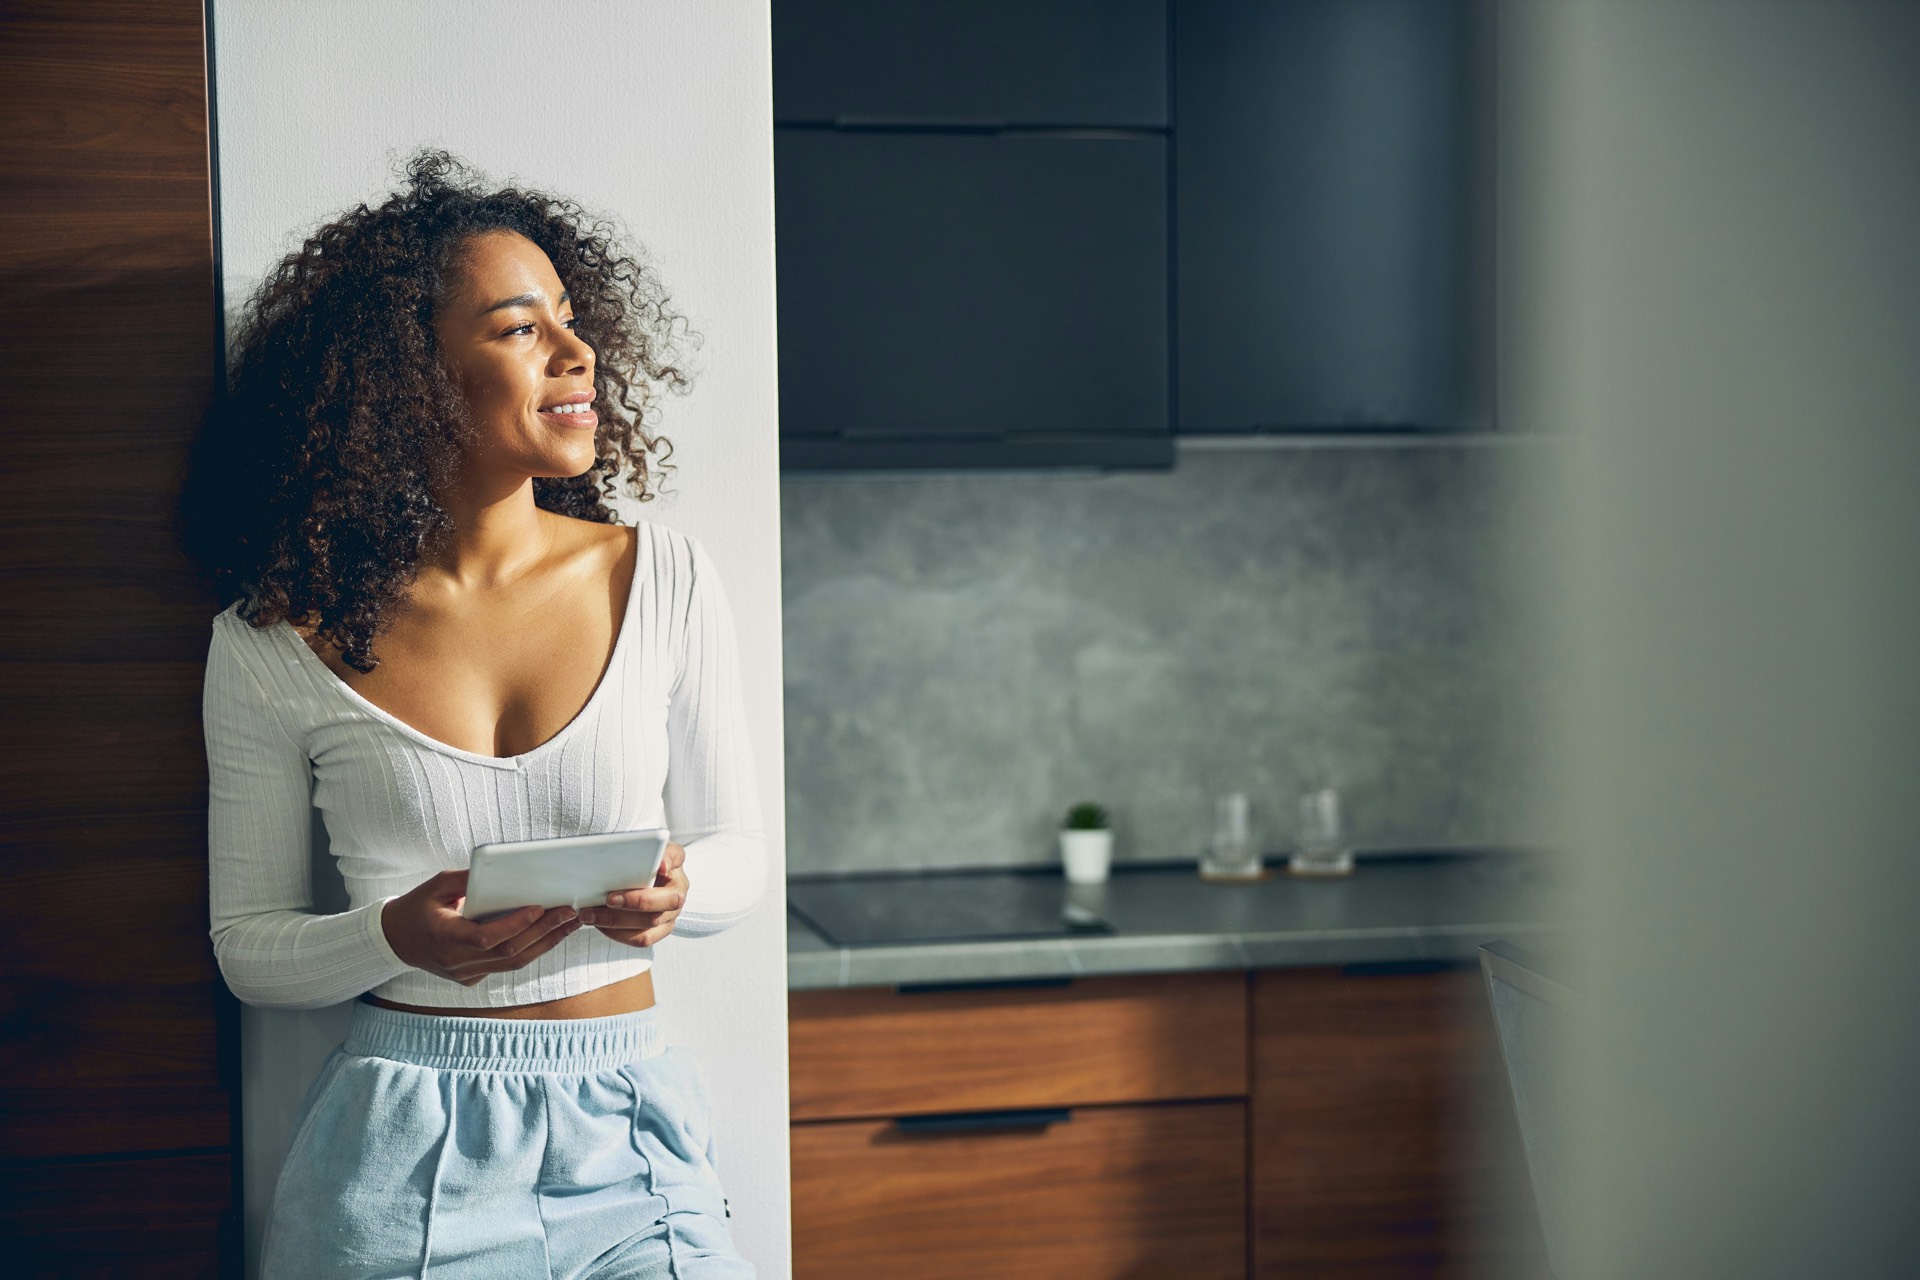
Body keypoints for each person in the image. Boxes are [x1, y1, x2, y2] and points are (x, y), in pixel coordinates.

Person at [180, 150, 766, 1278]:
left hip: (633, 1131)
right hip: (403, 1152)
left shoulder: (666, 577)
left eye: (571, 317)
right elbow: (247, 948)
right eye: (516, 328)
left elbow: (741, 855)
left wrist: (685, 886)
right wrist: (391, 936)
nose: (575, 351)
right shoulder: (269, 642)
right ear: (410, 377)